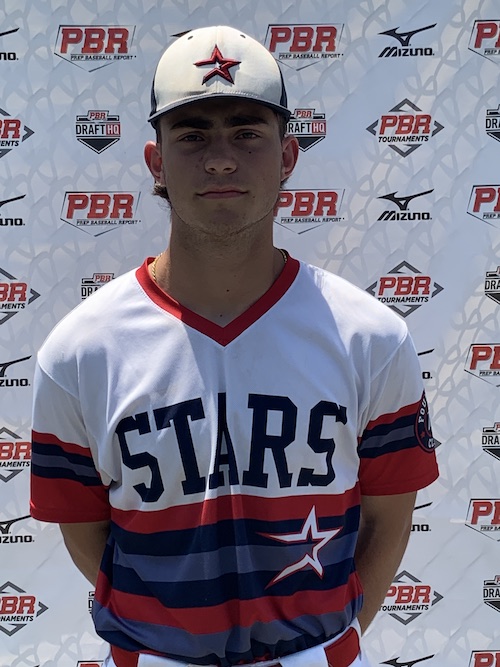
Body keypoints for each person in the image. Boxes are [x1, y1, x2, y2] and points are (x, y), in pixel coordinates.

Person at [30, 25, 438, 667]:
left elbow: (389, 516)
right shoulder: (81, 350)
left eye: (247, 133)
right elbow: (84, 527)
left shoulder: (371, 337)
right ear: (156, 162)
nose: (220, 160)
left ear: (288, 156)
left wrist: (325, 645)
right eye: (192, 136)